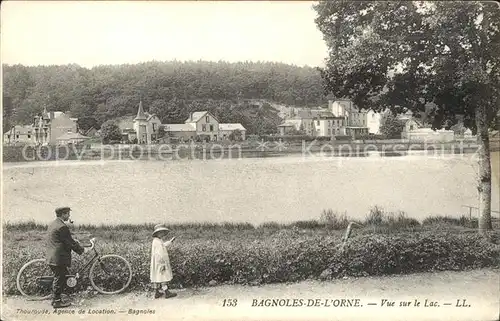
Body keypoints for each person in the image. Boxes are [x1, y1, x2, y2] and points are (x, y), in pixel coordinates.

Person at [46, 207, 85, 308]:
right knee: (60, 277)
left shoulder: (53, 224)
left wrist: (74, 241)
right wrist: (81, 250)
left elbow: (62, 239)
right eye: (68, 214)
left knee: (63, 277)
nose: (69, 216)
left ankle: (60, 296)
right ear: (63, 214)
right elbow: (69, 243)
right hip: (58, 257)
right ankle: (57, 302)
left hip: (52, 255)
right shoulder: (62, 226)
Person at [150, 224, 177, 299]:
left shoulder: (157, 240)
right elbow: (159, 253)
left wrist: (170, 241)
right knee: (163, 276)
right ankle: (167, 292)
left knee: (157, 276)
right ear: (157, 233)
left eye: (163, 232)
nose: (162, 234)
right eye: (161, 232)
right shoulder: (157, 241)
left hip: (157, 262)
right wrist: (162, 264)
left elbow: (163, 245)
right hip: (160, 262)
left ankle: (157, 292)